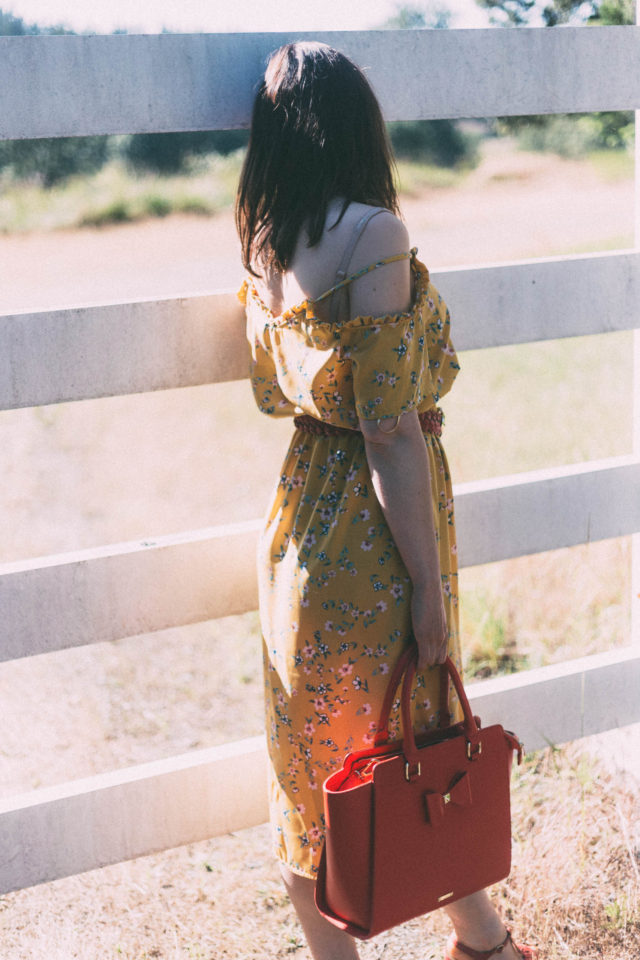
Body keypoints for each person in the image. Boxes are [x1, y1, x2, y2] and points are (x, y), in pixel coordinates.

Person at [236, 40, 535, 960]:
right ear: (358, 127)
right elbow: (391, 429)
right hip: (372, 523)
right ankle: (483, 944)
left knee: (317, 764)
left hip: (300, 519)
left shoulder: (264, 243)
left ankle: (472, 941)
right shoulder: (374, 234)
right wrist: (429, 594)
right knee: (422, 731)